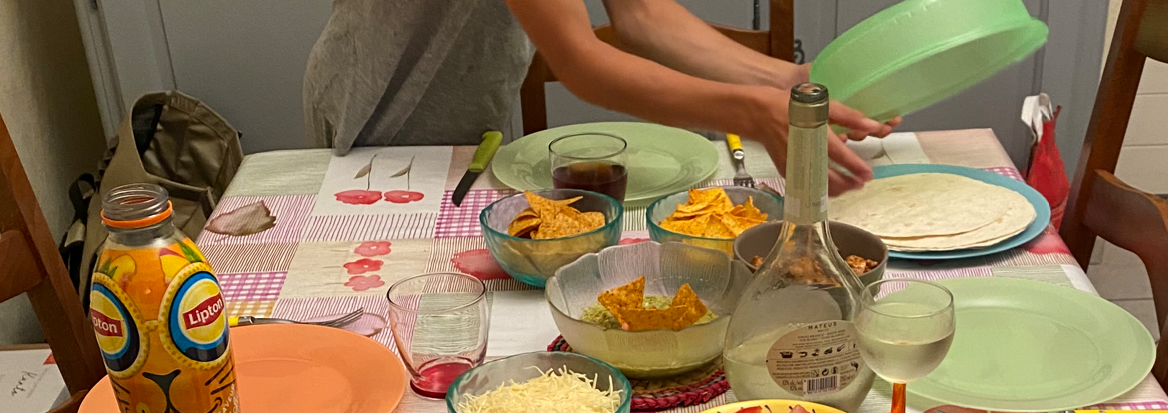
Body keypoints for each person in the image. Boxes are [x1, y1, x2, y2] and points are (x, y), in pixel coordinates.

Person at [305, 0, 897, 194]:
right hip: (377, 112)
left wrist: (782, 80)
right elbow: (581, 62)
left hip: (466, 105)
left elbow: (642, 14)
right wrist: (750, 110)